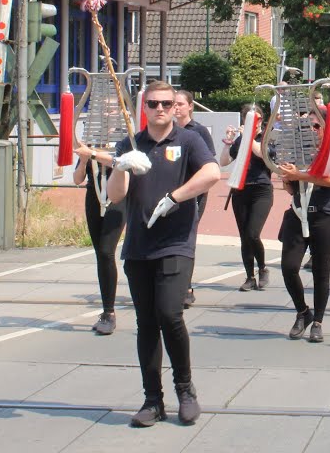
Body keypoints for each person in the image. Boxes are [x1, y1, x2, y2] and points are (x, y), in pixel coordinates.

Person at [107, 81, 220, 427]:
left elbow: (212, 172)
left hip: (176, 242)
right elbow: (115, 197)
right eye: (154, 103)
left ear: (176, 107)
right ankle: (152, 399)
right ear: (145, 107)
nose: (160, 109)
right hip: (139, 246)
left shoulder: (188, 140)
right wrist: (121, 166)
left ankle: (185, 390)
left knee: (170, 314)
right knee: (146, 324)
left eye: (167, 104)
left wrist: (176, 197)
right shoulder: (131, 142)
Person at [278, 107, 330, 343]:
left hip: (325, 216)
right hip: (298, 214)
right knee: (288, 267)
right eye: (306, 127)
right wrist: (287, 179)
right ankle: (303, 312)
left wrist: (300, 176)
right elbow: (290, 188)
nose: (311, 131)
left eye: (316, 126)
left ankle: (318, 321)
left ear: (325, 129)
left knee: (321, 271)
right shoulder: (298, 153)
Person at [73, 136, 131, 336]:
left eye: (111, 104)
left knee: (107, 251)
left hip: (117, 198)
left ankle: (109, 311)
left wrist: (94, 155)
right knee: (100, 254)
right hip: (94, 196)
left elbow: (121, 163)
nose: (107, 107)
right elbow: (77, 179)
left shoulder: (123, 142)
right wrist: (83, 160)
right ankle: (107, 310)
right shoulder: (90, 143)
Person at [220, 103, 272, 292]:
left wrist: (249, 137)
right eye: (249, 119)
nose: (254, 123)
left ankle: (263, 268)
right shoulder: (240, 140)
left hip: (261, 190)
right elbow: (224, 162)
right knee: (244, 236)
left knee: (253, 233)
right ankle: (250, 276)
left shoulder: (266, 137)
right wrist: (228, 141)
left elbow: (264, 156)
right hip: (240, 191)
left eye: (257, 119)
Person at [173, 89, 215, 309]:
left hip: (193, 193)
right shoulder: (167, 131)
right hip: (170, 192)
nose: (176, 108)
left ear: (190, 106)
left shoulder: (198, 132)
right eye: (174, 104)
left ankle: (186, 287)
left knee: (186, 239)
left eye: (180, 104)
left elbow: (209, 163)